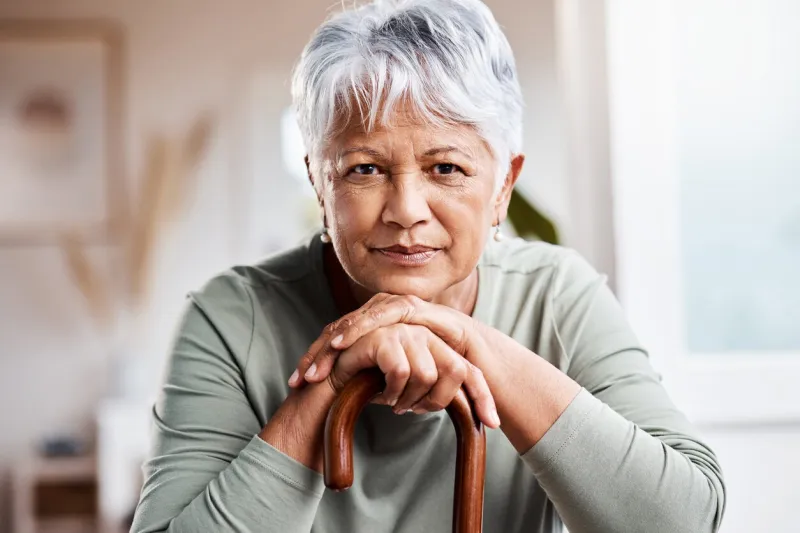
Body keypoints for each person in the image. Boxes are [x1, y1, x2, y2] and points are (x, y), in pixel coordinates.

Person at [130, 0, 726, 531]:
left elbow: (684, 520)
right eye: (365, 169)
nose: (406, 211)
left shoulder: (555, 294)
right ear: (319, 180)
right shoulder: (233, 315)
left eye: (447, 168)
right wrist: (330, 383)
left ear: (503, 186)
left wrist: (466, 341)